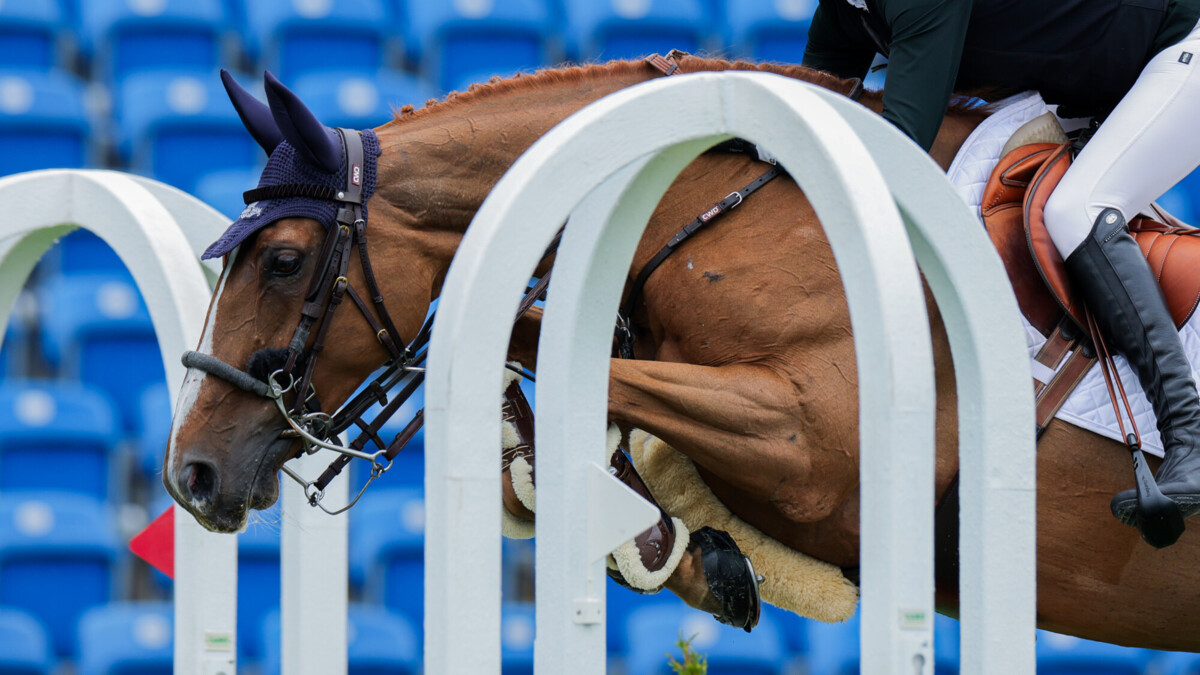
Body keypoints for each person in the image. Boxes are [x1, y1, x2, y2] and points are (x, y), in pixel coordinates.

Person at [803, 0, 1200, 546]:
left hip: (1180, 47)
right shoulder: (846, 9)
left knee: (1076, 208)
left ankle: (1189, 434)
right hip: (1093, 84)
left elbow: (899, 150)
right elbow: (807, 102)